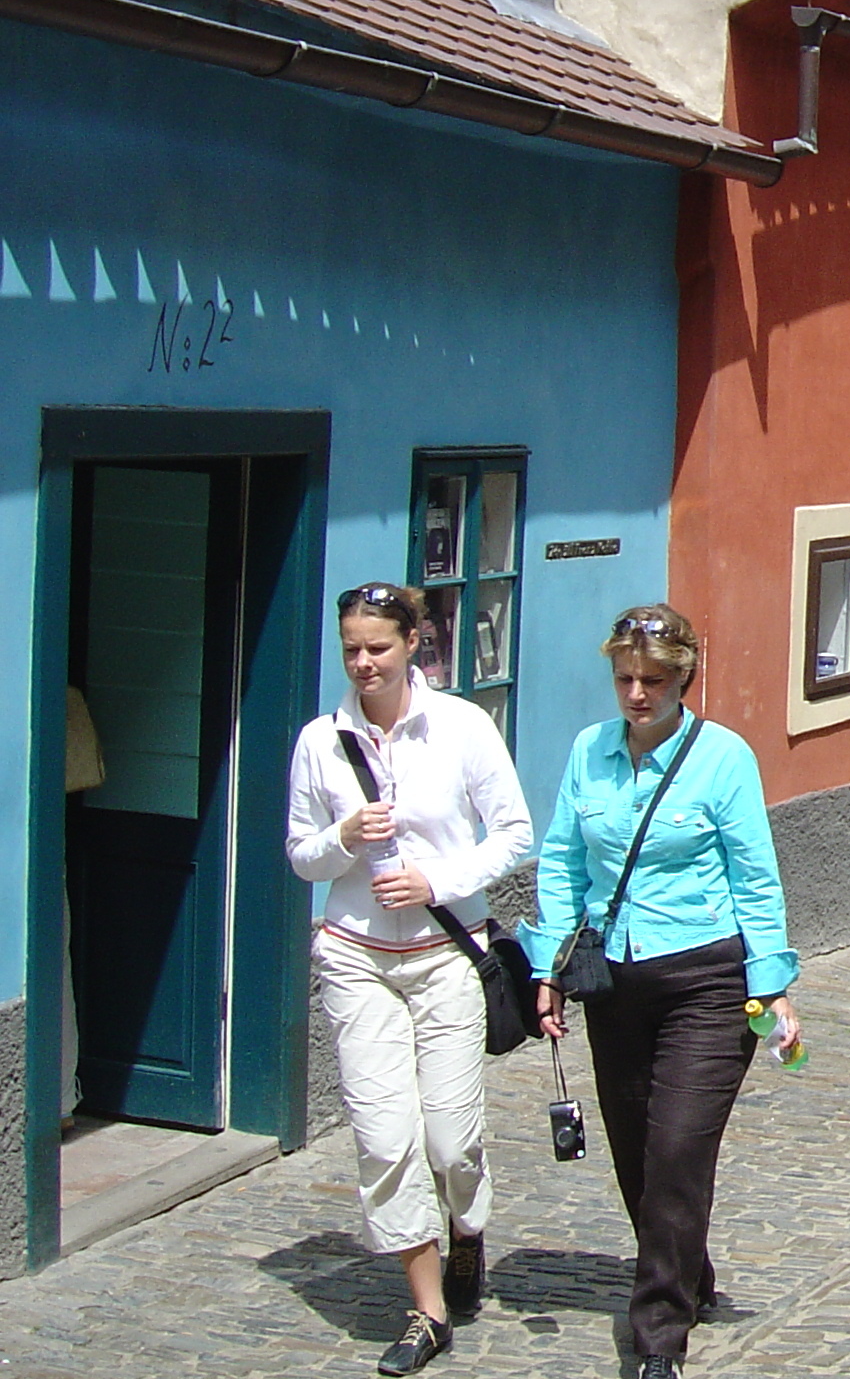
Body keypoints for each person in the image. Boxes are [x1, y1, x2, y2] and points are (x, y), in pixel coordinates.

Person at [529, 605, 798, 1379]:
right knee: (639, 1157)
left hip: (707, 980)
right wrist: (547, 965)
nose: (637, 694)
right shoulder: (590, 753)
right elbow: (562, 862)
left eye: (653, 680)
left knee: (680, 1146)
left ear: (684, 678)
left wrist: (772, 983)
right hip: (615, 979)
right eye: (624, 679)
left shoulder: (722, 758)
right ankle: (689, 1272)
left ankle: (657, 1339)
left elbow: (755, 874)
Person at [287, 583, 532, 1376]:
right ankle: (425, 1311)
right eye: (351, 648)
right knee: (385, 1139)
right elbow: (301, 857)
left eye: (377, 648)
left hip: (443, 957)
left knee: (450, 1140)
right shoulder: (320, 742)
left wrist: (437, 879)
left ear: (413, 645)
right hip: (356, 957)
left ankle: (467, 1231)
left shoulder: (461, 727)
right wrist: (343, 836)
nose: (362, 663)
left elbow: (515, 835)